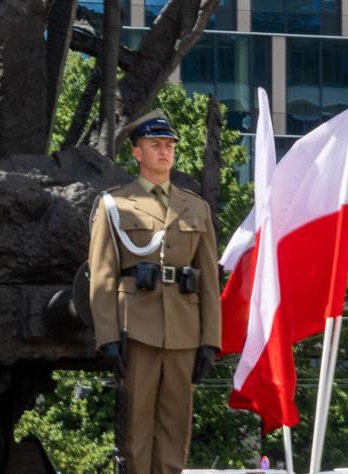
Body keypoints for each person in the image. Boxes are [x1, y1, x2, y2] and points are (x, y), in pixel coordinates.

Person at [86, 109, 222, 474]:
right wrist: (107, 338)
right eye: (155, 144)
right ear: (137, 153)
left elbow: (209, 277)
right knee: (136, 427)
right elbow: (102, 275)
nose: (164, 151)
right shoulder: (115, 203)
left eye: (169, 145)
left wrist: (210, 339)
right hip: (138, 327)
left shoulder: (196, 207)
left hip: (183, 329)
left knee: (176, 426)